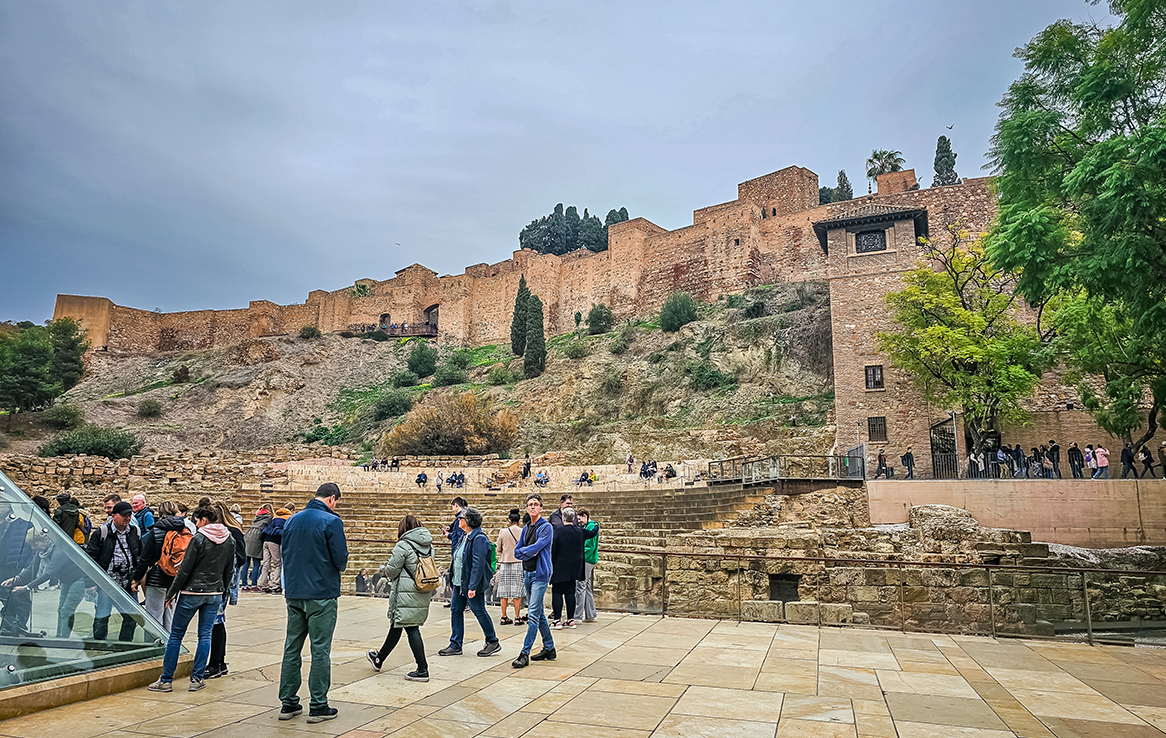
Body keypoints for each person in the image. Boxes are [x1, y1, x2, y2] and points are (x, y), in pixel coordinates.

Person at [278, 483, 348, 724]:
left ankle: (288, 702)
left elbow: (285, 553)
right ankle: (318, 705)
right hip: (321, 593)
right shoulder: (331, 521)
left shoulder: (292, 520)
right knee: (320, 649)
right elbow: (340, 559)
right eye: (336, 501)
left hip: (295, 591)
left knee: (292, 647)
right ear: (331, 498)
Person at [148, 505, 234, 693]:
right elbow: (229, 570)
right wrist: (223, 592)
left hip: (192, 592)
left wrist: (172, 592)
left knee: (176, 635)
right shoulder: (229, 539)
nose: (195, 523)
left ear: (204, 520)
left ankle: (166, 679)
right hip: (214, 593)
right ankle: (197, 678)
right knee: (205, 635)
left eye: (197, 520)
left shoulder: (199, 538)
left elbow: (185, 569)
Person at [366, 515, 433, 680]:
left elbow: (391, 571)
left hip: (406, 592)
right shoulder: (429, 545)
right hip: (422, 588)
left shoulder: (403, 545)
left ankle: (422, 669)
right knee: (398, 625)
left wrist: (388, 566)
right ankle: (379, 659)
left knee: (411, 628)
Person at [439, 507, 502, 658]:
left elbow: (478, 563)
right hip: (460, 582)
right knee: (455, 611)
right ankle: (455, 644)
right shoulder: (466, 536)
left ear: (468, 521)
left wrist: (473, 586)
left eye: (461, 518)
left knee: (479, 610)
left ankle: (492, 641)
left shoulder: (479, 538)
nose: (458, 520)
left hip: (469, 583)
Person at [84, 501, 143, 642]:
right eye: (124, 515)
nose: (127, 518)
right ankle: (99, 646)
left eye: (129, 515)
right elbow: (90, 559)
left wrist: (137, 578)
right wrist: (90, 584)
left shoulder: (135, 532)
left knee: (132, 617)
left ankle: (125, 646)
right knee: (102, 617)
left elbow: (140, 556)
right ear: (114, 516)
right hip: (107, 583)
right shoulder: (101, 533)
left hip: (127, 583)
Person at [512, 494, 555, 668]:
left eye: (535, 504)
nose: (532, 507)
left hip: (540, 574)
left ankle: (525, 653)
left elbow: (538, 547)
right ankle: (549, 648)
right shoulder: (525, 528)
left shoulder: (546, 527)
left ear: (541, 508)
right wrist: (527, 551)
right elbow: (516, 551)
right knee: (538, 613)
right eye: (530, 504)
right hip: (528, 573)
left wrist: (526, 550)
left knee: (532, 614)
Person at [134, 500, 188, 633]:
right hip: (175, 578)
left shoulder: (156, 531)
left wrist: (136, 578)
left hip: (156, 578)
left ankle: (156, 644)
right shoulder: (184, 530)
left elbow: (145, 559)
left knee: (154, 615)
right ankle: (170, 646)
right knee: (170, 616)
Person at [206, 500, 246, 679]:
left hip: (221, 583)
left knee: (215, 623)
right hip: (222, 582)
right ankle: (219, 662)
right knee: (217, 622)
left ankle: (215, 663)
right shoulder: (232, 530)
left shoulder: (231, 532)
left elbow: (241, 557)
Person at [549, 508, 598, 629]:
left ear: (563, 518)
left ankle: (557, 620)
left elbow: (553, 550)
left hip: (560, 567)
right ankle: (570, 619)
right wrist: (596, 525)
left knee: (557, 593)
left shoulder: (557, 531)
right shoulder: (580, 531)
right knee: (570, 593)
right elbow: (593, 533)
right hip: (574, 568)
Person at [495, 508, 525, 626]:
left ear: (509, 520)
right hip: (518, 563)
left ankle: (504, 616)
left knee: (504, 592)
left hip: (505, 562)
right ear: (519, 520)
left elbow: (498, 548)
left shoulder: (503, 532)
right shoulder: (523, 531)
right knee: (516, 592)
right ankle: (517, 617)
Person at [257, 506, 292, 594]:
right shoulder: (285, 520)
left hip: (266, 541)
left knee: (266, 564)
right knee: (277, 564)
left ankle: (264, 585)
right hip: (275, 542)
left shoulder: (273, 519)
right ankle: (276, 585)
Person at [575, 509, 600, 623]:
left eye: (580, 519)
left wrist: (580, 556)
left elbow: (588, 546)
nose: (579, 521)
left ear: (585, 516)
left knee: (580, 586)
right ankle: (591, 614)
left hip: (586, 559)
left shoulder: (590, 527)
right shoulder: (591, 526)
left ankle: (577, 616)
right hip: (590, 559)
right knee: (587, 586)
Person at [243, 506, 273, 591]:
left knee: (246, 562)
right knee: (256, 563)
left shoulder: (257, 517)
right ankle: (254, 585)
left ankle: (244, 585)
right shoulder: (268, 518)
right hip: (257, 538)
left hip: (248, 536)